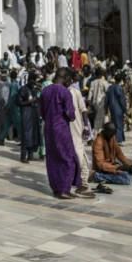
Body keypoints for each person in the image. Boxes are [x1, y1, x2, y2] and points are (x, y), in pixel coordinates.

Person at [39, 68, 87, 199]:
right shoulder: (65, 92)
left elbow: (41, 112)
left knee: (52, 158)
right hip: (61, 129)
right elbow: (71, 114)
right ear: (65, 78)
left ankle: (56, 189)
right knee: (68, 158)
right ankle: (64, 189)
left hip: (48, 129)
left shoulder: (45, 90)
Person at [17, 72, 40, 163]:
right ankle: (23, 156)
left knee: (33, 135)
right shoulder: (23, 89)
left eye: (34, 80)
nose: (33, 82)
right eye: (31, 80)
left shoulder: (34, 90)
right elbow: (19, 103)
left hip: (34, 113)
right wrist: (30, 102)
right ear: (28, 79)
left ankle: (31, 155)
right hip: (26, 114)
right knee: (26, 135)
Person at [104, 73, 127, 143]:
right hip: (118, 109)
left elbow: (106, 99)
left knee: (114, 123)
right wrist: (125, 110)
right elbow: (122, 100)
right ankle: (118, 140)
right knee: (119, 124)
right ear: (120, 80)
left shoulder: (110, 88)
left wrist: (106, 108)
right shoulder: (119, 88)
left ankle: (117, 138)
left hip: (111, 108)